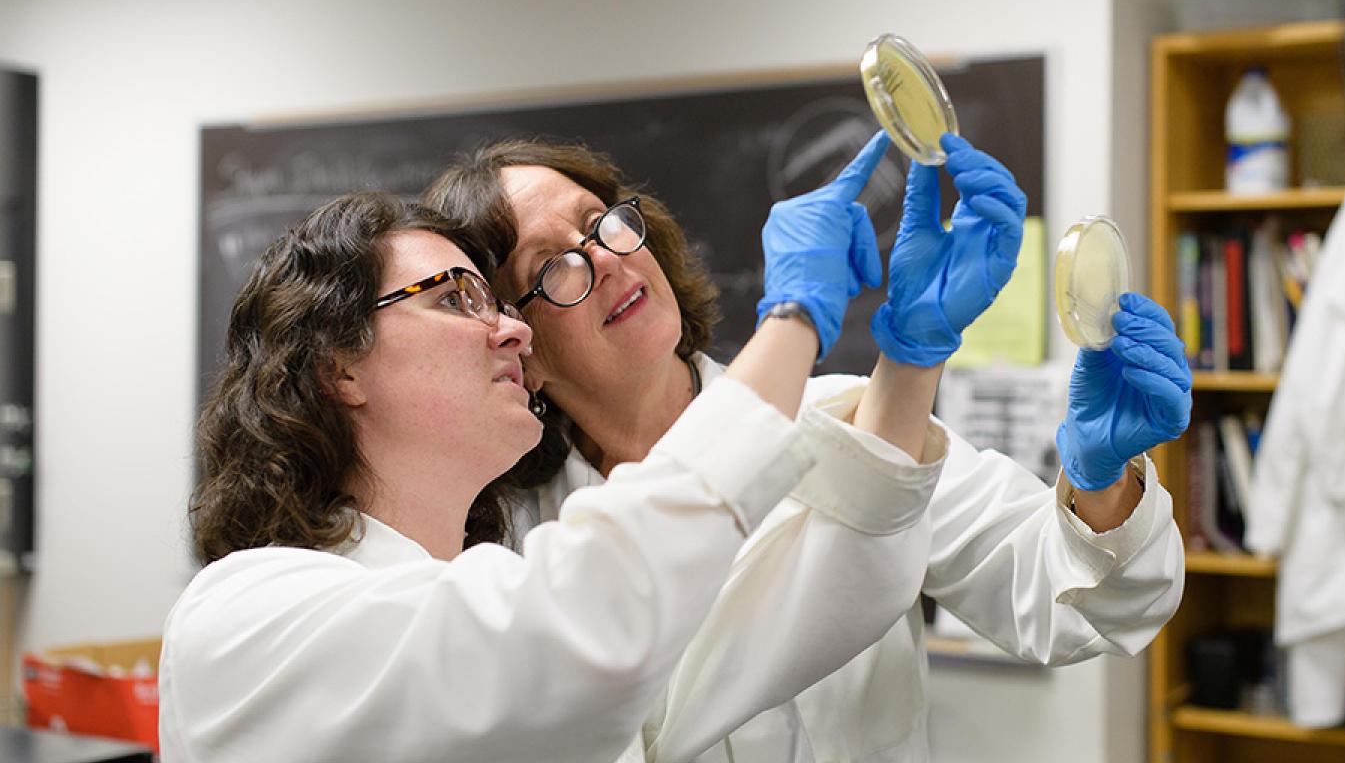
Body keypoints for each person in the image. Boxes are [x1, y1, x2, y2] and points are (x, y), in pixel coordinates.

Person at [423, 130, 1193, 762]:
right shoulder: (505, 541)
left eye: (602, 222)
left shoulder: (844, 415)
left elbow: (1075, 610)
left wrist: (1099, 484)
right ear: (516, 341)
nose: (607, 258)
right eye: (553, 266)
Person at [158, 181, 947, 762]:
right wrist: (797, 319)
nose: (513, 331)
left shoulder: (490, 583)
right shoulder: (246, 614)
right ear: (338, 366)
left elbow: (774, 620)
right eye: (457, 298)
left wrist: (910, 364)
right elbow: (588, 625)